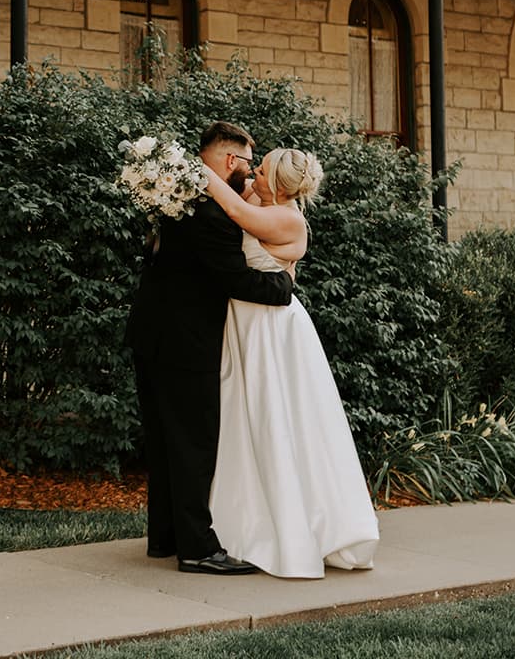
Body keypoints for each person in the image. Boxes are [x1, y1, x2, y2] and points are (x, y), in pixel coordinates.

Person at [126, 122, 299, 575]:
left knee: (165, 442)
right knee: (193, 444)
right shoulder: (212, 212)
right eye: (247, 162)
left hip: (152, 335)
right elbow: (235, 280)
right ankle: (198, 549)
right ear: (229, 162)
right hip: (186, 342)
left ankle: (164, 537)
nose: (250, 172)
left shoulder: (178, 195)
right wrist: (284, 287)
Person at [202, 147, 380, 578]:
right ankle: (240, 524)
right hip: (244, 322)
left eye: (260, 171)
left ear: (279, 185)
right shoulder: (262, 200)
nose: (252, 173)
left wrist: (192, 170)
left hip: (270, 329)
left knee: (275, 420)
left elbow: (233, 213)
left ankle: (295, 529)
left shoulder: (287, 217)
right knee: (244, 421)